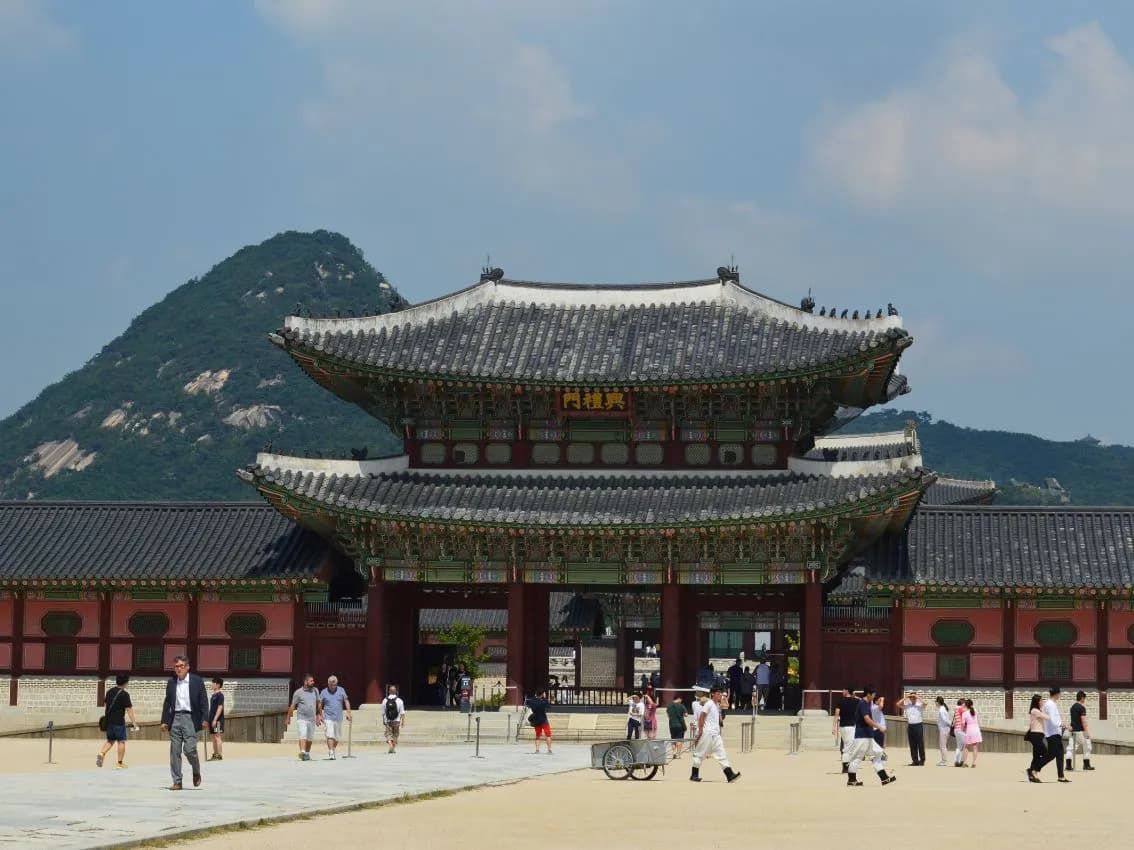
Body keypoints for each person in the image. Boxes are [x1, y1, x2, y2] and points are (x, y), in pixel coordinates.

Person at [160, 654, 209, 790]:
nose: (178, 669)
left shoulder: (196, 681)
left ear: (187, 667)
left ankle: (196, 770)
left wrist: (205, 718)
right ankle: (177, 781)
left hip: (190, 719)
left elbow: (204, 701)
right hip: (175, 718)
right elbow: (167, 703)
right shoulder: (171, 682)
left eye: (181, 666)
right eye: (176, 667)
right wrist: (164, 720)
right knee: (175, 751)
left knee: (189, 750)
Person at [844, 684, 894, 786]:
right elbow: (867, 719)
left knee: (878, 753)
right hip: (862, 736)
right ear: (868, 694)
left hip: (868, 735)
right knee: (857, 757)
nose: (874, 696)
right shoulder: (863, 704)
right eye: (873, 694)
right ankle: (851, 780)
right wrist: (879, 727)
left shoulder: (866, 703)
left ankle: (884, 778)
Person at [690, 686, 740, 782]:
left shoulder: (717, 705)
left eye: (721, 693)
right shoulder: (708, 704)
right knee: (700, 753)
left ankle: (730, 775)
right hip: (707, 733)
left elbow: (725, 706)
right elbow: (702, 717)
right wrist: (700, 730)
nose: (720, 695)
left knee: (722, 753)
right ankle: (694, 775)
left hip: (715, 734)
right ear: (713, 694)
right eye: (718, 693)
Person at [97, 674, 139, 769]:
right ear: (125, 682)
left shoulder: (109, 692)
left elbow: (106, 704)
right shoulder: (124, 694)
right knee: (121, 741)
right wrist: (134, 722)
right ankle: (119, 763)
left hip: (109, 722)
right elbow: (129, 709)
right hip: (119, 722)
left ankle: (101, 753)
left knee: (110, 740)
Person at [286, 673, 322, 761]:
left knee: (310, 738)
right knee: (303, 735)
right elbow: (292, 705)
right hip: (302, 718)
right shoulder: (298, 693)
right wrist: (288, 717)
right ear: (306, 682)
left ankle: (307, 753)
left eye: (313, 681)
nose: (313, 682)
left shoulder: (315, 690)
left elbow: (318, 703)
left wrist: (319, 715)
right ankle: (302, 752)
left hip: (312, 718)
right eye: (311, 681)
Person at [319, 674, 352, 760]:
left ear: (336, 684)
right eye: (330, 684)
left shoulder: (341, 690)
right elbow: (320, 704)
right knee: (330, 735)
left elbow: (346, 701)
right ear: (328, 684)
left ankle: (332, 749)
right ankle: (331, 752)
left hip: (338, 717)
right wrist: (319, 714)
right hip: (328, 717)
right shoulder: (324, 692)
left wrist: (348, 712)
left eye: (334, 684)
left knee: (337, 737)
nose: (332, 686)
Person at [1043, 687, 1070, 782]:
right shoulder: (1050, 705)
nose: (1060, 695)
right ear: (1057, 694)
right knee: (1051, 755)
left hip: (1055, 733)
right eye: (1059, 693)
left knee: (1059, 754)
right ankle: (1034, 767)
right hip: (1052, 733)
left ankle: (1061, 776)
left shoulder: (1051, 704)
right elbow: (1053, 720)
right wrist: (1064, 725)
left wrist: (1061, 725)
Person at [1025, 693, 1054, 783]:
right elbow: (1047, 717)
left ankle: (1032, 773)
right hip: (1036, 736)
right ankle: (1034, 770)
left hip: (1038, 735)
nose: (1042, 702)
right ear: (1037, 702)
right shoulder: (1035, 711)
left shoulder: (1038, 710)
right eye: (1041, 700)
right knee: (1047, 754)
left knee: (1036, 756)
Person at [896, 691, 926, 766]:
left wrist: (917, 697)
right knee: (912, 744)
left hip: (918, 725)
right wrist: (906, 697)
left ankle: (922, 760)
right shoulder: (907, 705)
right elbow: (898, 704)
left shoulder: (919, 705)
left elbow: (925, 703)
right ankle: (915, 760)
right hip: (911, 726)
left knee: (920, 743)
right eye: (911, 698)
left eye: (914, 697)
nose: (912, 699)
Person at [833, 686, 859, 774]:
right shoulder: (856, 701)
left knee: (847, 746)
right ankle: (846, 767)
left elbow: (836, 715)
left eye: (843, 690)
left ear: (847, 691)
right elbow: (864, 702)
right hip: (851, 726)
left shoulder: (840, 701)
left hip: (842, 726)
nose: (842, 691)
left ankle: (845, 767)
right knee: (849, 747)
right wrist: (854, 695)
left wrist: (834, 727)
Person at [1068, 690, 1094, 771]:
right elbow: (1083, 721)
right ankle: (1086, 765)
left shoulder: (1072, 707)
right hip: (1080, 731)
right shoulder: (1082, 708)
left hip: (1072, 730)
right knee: (1087, 746)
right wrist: (1086, 731)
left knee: (1071, 748)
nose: (1085, 700)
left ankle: (1068, 765)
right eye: (1084, 698)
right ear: (1082, 698)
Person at [525, 689, 553, 754]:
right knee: (548, 735)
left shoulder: (532, 701)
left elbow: (527, 702)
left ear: (536, 694)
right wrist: (545, 698)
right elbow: (549, 706)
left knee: (538, 735)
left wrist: (535, 697)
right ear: (542, 694)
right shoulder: (543, 702)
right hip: (543, 719)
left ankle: (537, 750)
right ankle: (549, 750)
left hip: (536, 720)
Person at [383, 685, 406, 754]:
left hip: (388, 720)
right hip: (397, 720)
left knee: (388, 734)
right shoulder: (399, 700)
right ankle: (393, 747)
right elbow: (402, 712)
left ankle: (390, 744)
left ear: (389, 691)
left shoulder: (385, 700)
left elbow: (383, 712)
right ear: (396, 691)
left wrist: (384, 720)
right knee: (395, 734)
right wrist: (403, 722)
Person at [961, 699, 981, 768]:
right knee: (975, 747)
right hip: (976, 729)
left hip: (969, 730)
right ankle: (974, 763)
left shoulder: (964, 713)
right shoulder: (975, 710)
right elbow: (978, 720)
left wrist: (963, 729)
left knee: (966, 747)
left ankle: (964, 762)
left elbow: (963, 724)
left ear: (966, 705)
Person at [208, 677, 225, 761]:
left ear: (218, 685)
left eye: (213, 683)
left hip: (217, 720)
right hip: (211, 719)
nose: (212, 684)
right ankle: (215, 754)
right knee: (213, 737)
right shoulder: (213, 695)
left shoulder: (220, 695)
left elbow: (220, 707)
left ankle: (219, 755)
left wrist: (215, 719)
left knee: (217, 737)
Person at [871, 694, 888, 762]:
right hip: (877, 729)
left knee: (880, 745)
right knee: (878, 744)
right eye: (879, 700)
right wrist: (882, 699)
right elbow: (881, 706)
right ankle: (877, 757)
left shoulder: (876, 708)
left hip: (880, 729)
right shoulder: (874, 707)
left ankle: (879, 756)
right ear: (875, 701)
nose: (880, 701)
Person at [934, 696, 951, 766]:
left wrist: (951, 725)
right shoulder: (942, 709)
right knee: (942, 745)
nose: (935, 703)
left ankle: (943, 761)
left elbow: (945, 720)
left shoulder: (942, 710)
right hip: (944, 729)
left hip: (944, 729)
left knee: (942, 745)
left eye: (936, 701)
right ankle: (943, 760)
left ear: (938, 702)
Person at [952, 698, 967, 767]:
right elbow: (967, 712)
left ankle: (956, 761)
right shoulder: (960, 709)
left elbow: (955, 721)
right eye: (964, 703)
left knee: (959, 746)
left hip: (956, 729)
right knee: (964, 746)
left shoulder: (956, 709)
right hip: (961, 729)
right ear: (962, 703)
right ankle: (961, 761)